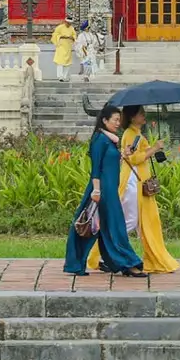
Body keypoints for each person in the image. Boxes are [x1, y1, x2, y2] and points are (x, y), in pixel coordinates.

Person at [89, 106, 179, 274]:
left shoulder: (136, 133)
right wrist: (154, 148)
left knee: (135, 221)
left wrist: (151, 148)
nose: (144, 116)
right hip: (133, 182)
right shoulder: (131, 134)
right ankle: (103, 254)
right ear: (132, 117)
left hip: (138, 180)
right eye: (140, 114)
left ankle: (108, 254)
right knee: (130, 220)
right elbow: (134, 158)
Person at [64, 104, 144, 277]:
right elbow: (96, 169)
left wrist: (124, 155)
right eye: (115, 120)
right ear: (104, 120)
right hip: (102, 191)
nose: (118, 123)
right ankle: (128, 263)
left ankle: (115, 262)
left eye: (119, 120)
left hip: (109, 190)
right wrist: (97, 191)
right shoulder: (99, 140)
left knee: (105, 228)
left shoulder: (110, 140)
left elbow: (110, 164)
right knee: (108, 226)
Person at [49, 17, 77, 82]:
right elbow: (55, 34)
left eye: (70, 23)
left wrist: (72, 37)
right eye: (68, 23)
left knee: (68, 63)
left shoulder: (72, 28)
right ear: (65, 22)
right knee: (60, 62)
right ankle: (60, 76)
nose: (69, 24)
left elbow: (74, 35)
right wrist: (62, 36)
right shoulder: (60, 27)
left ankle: (64, 76)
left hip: (68, 46)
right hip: (61, 46)